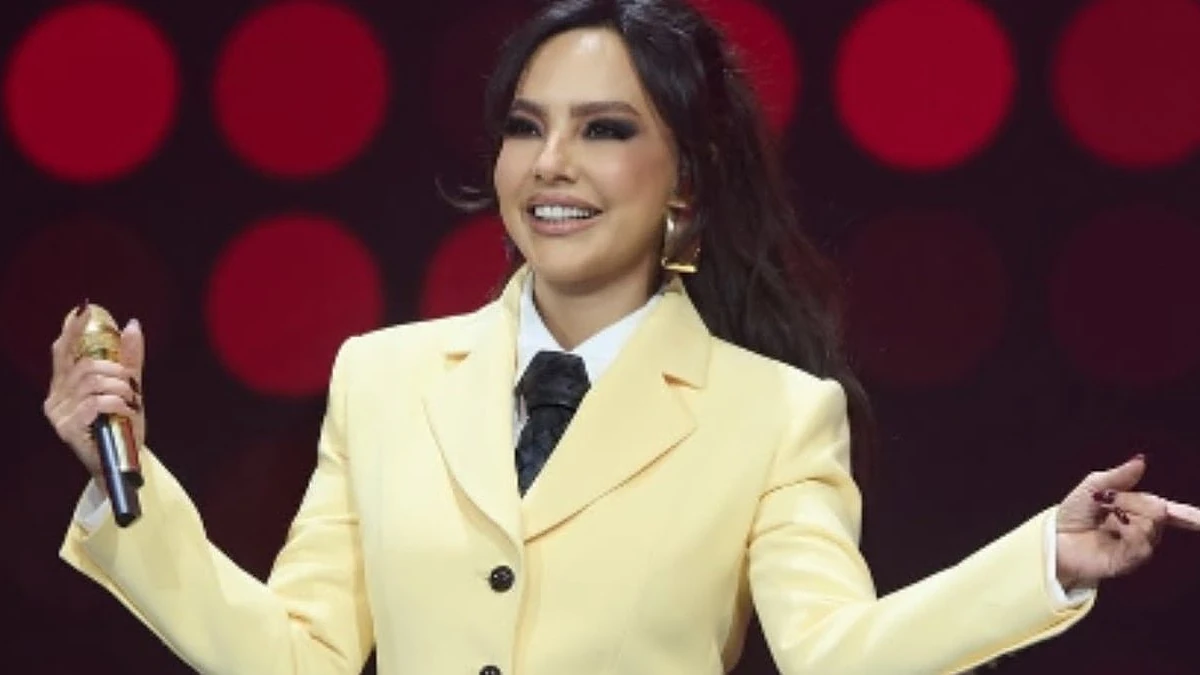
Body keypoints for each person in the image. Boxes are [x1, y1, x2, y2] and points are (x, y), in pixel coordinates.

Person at [44, 0, 1200, 673]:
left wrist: (1046, 560)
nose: (550, 164)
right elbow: (296, 655)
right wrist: (123, 480)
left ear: (687, 177)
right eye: (525, 127)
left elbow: (836, 654)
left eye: (603, 130)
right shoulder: (382, 376)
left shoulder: (776, 414)